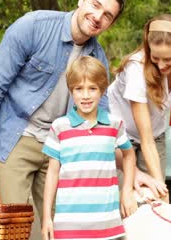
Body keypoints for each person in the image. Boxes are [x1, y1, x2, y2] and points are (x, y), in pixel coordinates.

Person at [0, 0, 128, 222]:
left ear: (110, 24)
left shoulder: (98, 58)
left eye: (107, 15)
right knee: (14, 224)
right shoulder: (32, 26)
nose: (97, 17)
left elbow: (100, 123)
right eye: (95, 5)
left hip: (59, 147)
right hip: (17, 137)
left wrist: (131, 167)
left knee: (62, 225)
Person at [108, 14, 171, 198]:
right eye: (155, 58)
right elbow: (145, 139)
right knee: (125, 197)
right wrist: (160, 185)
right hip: (118, 135)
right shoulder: (136, 67)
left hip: (155, 132)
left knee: (156, 198)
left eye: (168, 59)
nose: (161, 65)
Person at [42, 56, 137, 240]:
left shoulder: (114, 124)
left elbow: (129, 155)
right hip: (68, 225)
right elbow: (52, 173)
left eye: (92, 88)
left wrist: (126, 190)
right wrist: (47, 217)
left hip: (106, 224)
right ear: (71, 91)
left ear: (102, 91)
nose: (85, 95)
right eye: (79, 89)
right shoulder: (60, 126)